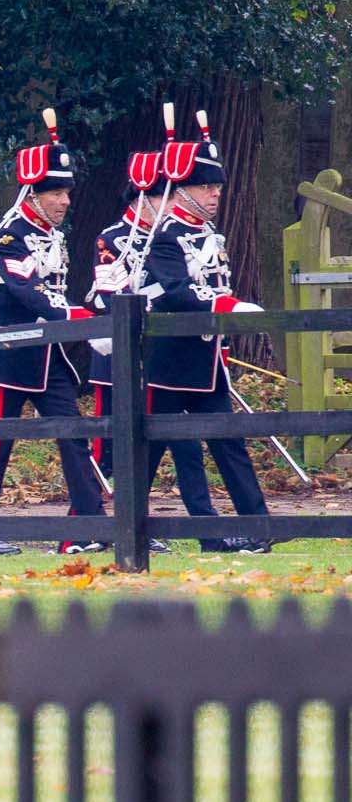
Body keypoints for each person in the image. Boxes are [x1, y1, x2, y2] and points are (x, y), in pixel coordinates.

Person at [0, 110, 106, 555]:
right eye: (55, 193)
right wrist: (84, 321)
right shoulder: (11, 236)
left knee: (73, 435)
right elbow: (33, 296)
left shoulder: (49, 231)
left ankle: (87, 528)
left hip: (49, 357)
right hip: (9, 354)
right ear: (34, 193)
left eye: (65, 192)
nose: (64, 201)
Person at [143, 110, 273, 554]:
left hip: (207, 364)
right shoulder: (166, 237)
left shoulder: (208, 233)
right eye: (205, 186)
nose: (215, 194)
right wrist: (228, 306)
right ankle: (125, 526)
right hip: (171, 363)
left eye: (216, 186)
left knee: (229, 444)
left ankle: (260, 528)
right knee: (146, 452)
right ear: (182, 190)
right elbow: (178, 293)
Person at [86, 148, 189, 553]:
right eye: (163, 198)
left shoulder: (173, 239)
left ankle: (136, 523)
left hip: (158, 357)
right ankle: (93, 525)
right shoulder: (111, 238)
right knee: (105, 447)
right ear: (142, 200)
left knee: (148, 443)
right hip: (116, 354)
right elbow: (109, 294)